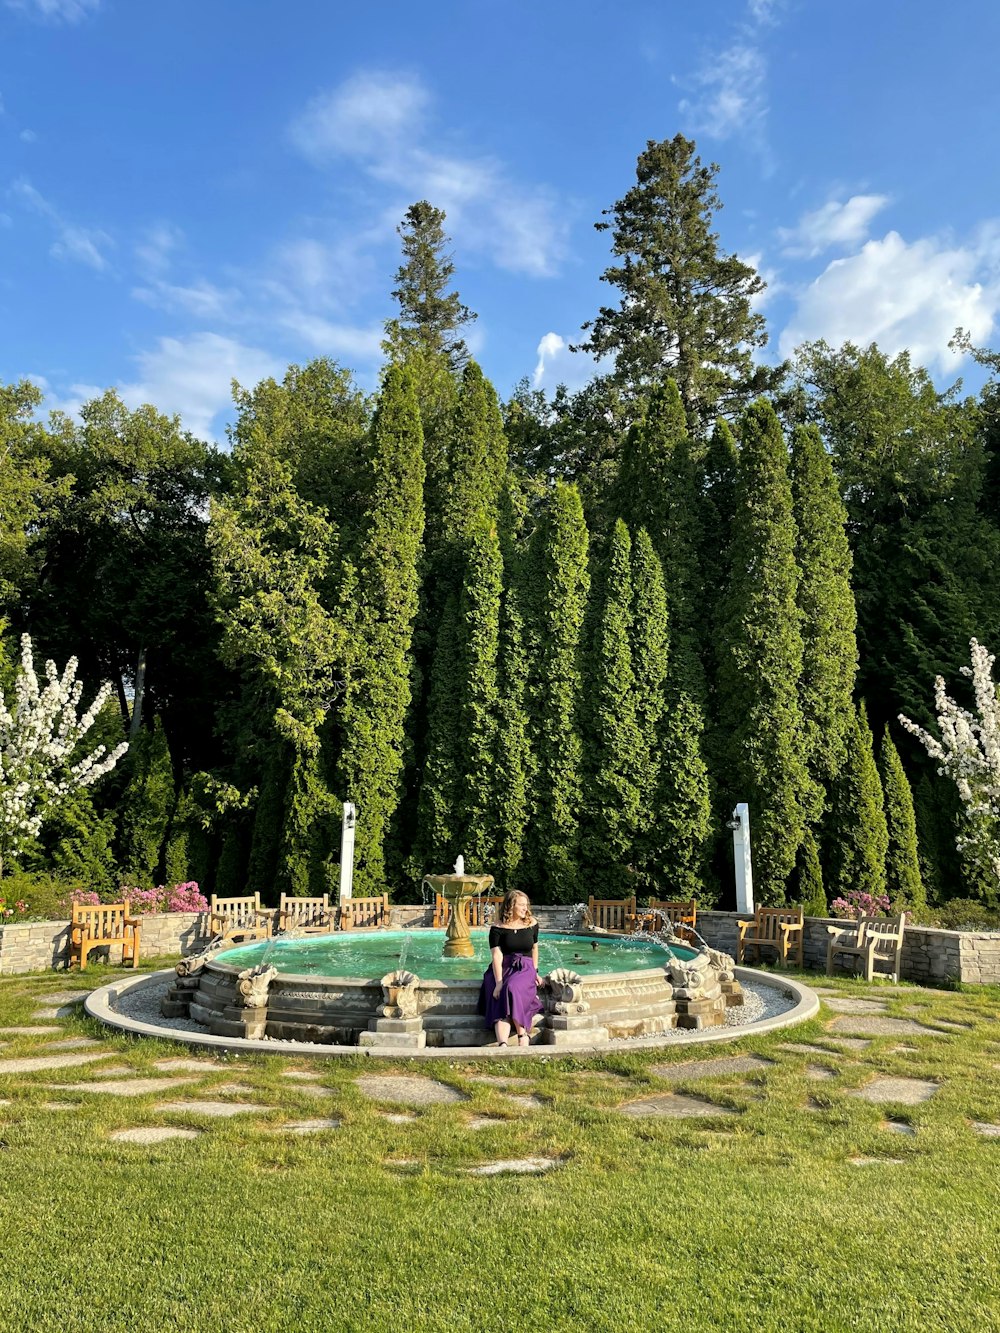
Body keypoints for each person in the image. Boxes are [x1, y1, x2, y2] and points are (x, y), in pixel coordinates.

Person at [478, 890, 545, 1047]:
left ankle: (522, 1034)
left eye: (526, 904)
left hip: (525, 967)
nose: (525, 908)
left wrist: (535, 972)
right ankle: (502, 1044)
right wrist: (499, 982)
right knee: (498, 990)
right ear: (510, 906)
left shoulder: (532, 924)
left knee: (512, 987)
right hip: (503, 968)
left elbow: (534, 949)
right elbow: (496, 956)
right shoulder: (497, 928)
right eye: (521, 905)